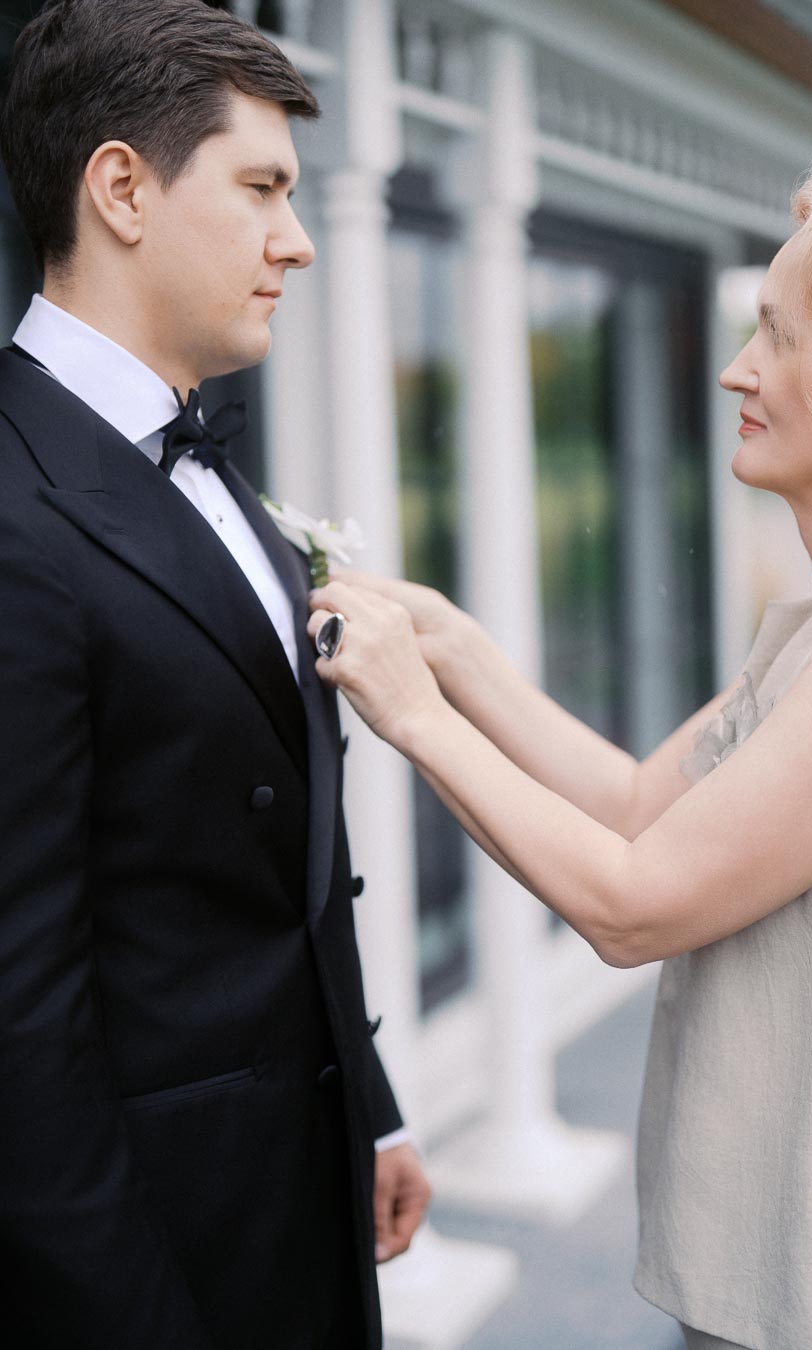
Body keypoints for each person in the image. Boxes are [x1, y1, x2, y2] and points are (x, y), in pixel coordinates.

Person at [309, 147, 812, 1349]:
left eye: (779, 336)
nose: (736, 367)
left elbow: (631, 907)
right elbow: (639, 807)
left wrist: (412, 711)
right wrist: (461, 654)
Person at [0, 2, 429, 1347]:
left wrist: (361, 1097)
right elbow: (18, 1012)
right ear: (121, 187)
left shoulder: (199, 455)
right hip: (150, 1254)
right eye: (261, 189)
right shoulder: (13, 511)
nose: (295, 239)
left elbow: (268, 860)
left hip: (296, 1184)